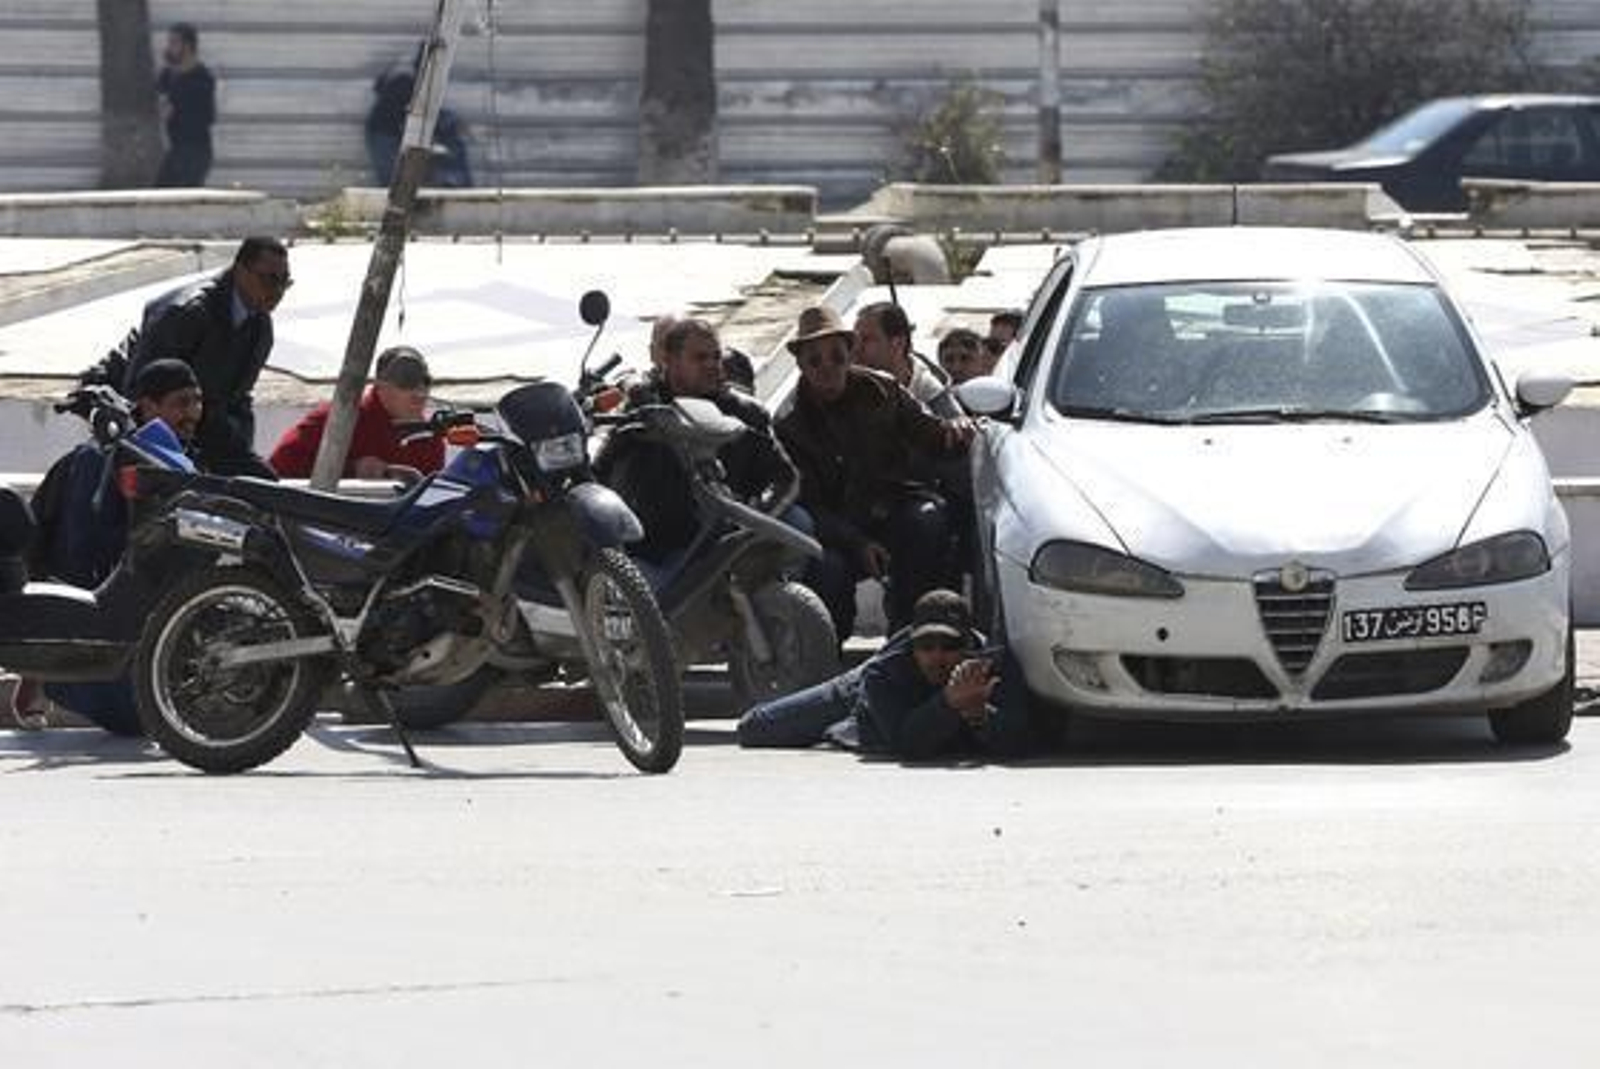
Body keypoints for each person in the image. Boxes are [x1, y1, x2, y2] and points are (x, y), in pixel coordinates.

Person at [13, 360, 204, 736]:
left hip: (149, 609)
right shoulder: (95, 460)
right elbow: (80, 554)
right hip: (98, 610)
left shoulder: (173, 457)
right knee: (135, 720)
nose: (194, 413)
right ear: (147, 407)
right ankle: (45, 676)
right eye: (182, 403)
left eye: (198, 402)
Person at [777, 305, 973, 641]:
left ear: (849, 354)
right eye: (815, 360)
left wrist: (956, 431)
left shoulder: (884, 390)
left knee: (929, 520)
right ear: (801, 365)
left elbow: (931, 434)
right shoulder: (789, 423)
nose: (828, 368)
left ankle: (911, 637)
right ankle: (826, 657)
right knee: (828, 571)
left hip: (890, 509)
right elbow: (804, 504)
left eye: (837, 356)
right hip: (836, 530)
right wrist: (856, 542)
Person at [595, 319, 798, 572]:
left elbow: (784, 477)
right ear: (669, 360)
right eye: (700, 358)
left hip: (726, 540)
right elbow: (601, 470)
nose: (712, 365)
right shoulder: (641, 409)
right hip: (656, 549)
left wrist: (758, 516)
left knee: (800, 522)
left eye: (716, 356)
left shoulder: (745, 412)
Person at [736, 589, 1036, 759]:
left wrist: (982, 714)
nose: (937, 657)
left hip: (916, 710)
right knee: (756, 727)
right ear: (912, 646)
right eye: (926, 646)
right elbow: (906, 744)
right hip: (861, 695)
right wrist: (949, 703)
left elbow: (1023, 740)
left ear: (968, 646)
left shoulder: (995, 666)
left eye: (949, 646)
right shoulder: (885, 672)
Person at [126, 236, 291, 478]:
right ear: (240, 271)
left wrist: (242, 455)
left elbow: (239, 400)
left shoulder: (260, 327)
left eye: (284, 282)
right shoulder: (187, 313)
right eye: (269, 279)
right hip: (156, 439)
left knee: (263, 486)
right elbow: (139, 392)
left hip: (205, 433)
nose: (277, 291)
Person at [269, 346, 445, 482]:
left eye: (425, 383)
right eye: (406, 382)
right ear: (380, 385)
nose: (419, 394)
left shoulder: (429, 438)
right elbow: (279, 468)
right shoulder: (339, 418)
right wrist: (350, 470)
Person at [365, 46, 473, 188]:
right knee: (393, 183)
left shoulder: (410, 83)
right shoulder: (409, 85)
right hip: (382, 135)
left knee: (397, 181)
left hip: (388, 134)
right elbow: (421, 115)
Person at [853, 301, 960, 416]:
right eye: (856, 338)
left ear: (898, 343)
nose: (857, 347)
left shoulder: (931, 396)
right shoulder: (848, 381)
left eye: (867, 339)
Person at [154, 23, 216, 188]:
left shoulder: (202, 79)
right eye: (169, 42)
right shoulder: (168, 75)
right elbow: (158, 99)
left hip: (196, 152)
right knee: (158, 194)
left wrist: (175, 110)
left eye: (174, 43)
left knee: (187, 200)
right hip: (176, 150)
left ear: (187, 46)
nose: (169, 47)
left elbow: (208, 118)